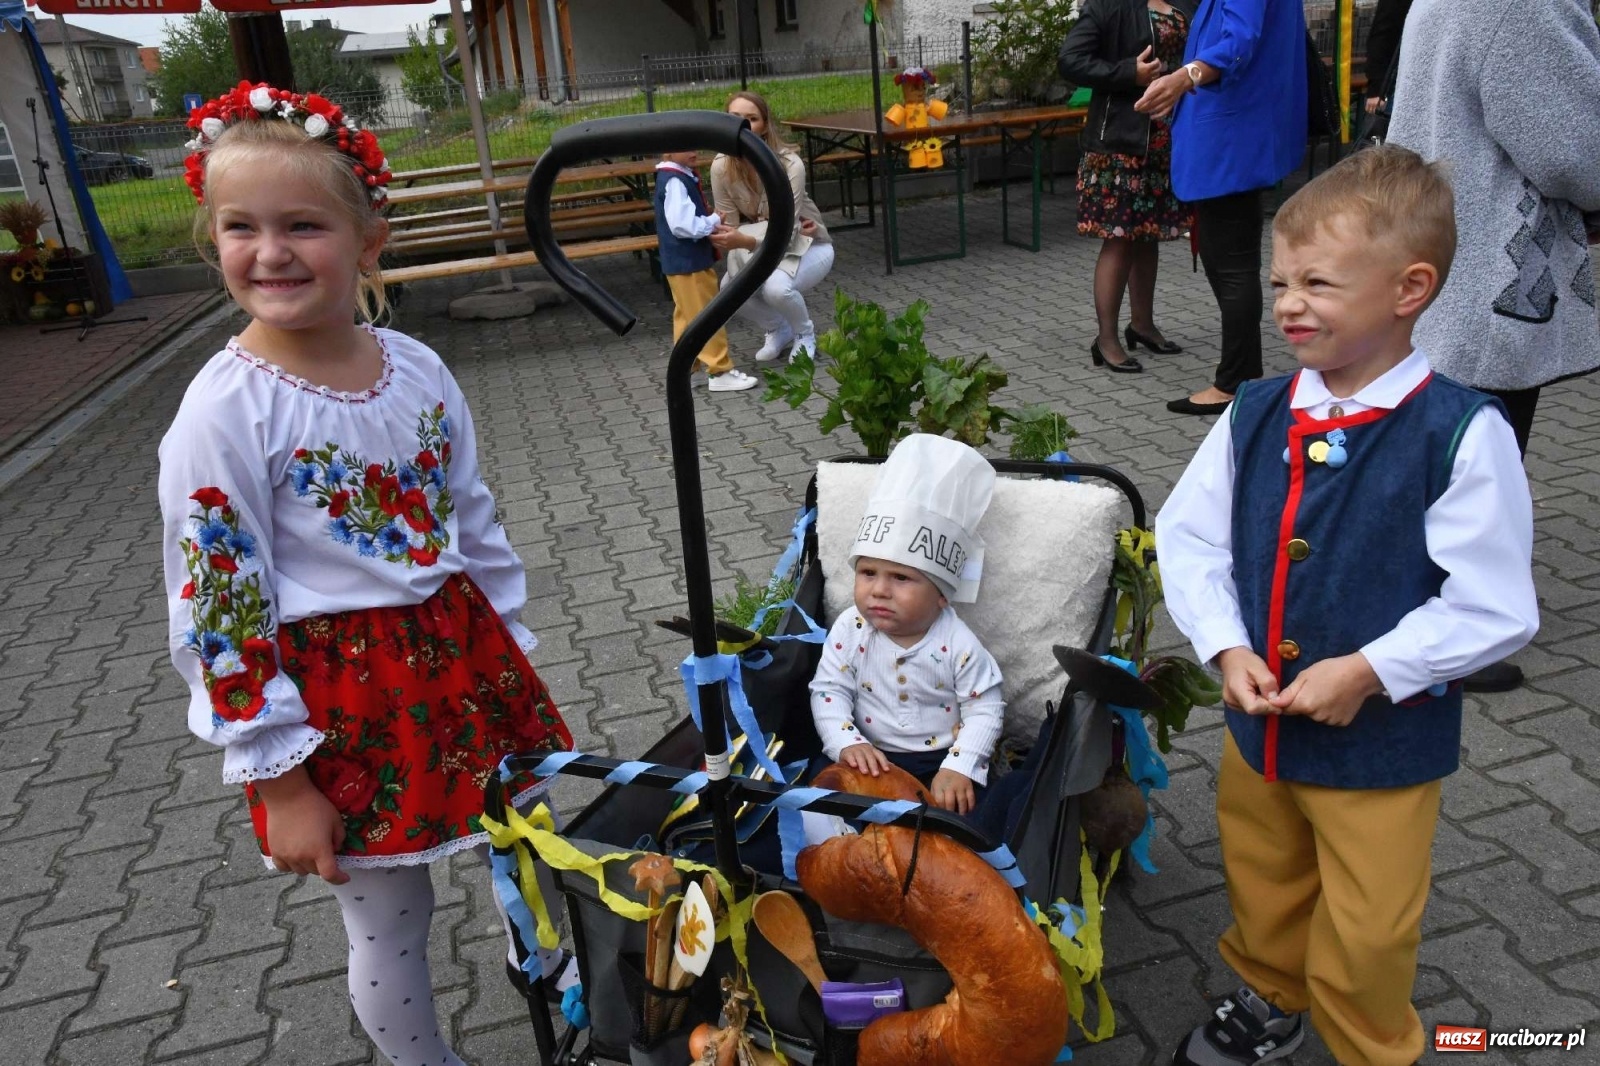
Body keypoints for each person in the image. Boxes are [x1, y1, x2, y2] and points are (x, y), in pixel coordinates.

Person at [158, 84, 575, 1066]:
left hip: (464, 662)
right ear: (212, 238)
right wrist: (283, 775)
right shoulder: (224, 414)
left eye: (302, 224)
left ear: (367, 236)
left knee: (535, 855)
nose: (270, 252)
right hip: (341, 700)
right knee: (390, 916)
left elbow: (469, 516)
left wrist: (508, 645)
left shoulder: (417, 367)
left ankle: (579, 1010)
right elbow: (217, 610)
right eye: (239, 227)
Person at [1156, 146, 1538, 1066]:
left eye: (1318, 282)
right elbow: (1189, 535)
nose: (1287, 302)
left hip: (1380, 751)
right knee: (1264, 876)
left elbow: (1495, 606)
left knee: (1369, 922)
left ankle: (1375, 1043)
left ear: (1409, 289)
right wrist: (1221, 645)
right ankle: (1271, 992)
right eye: (1282, 280)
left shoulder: (1461, 432)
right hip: (1262, 732)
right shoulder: (1254, 411)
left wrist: (1373, 670)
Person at [1387, 0, 1600, 689]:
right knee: (1479, 458)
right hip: (1488, 265)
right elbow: (1574, 146)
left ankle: (1422, 615)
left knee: (1447, 449)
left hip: (1445, 243)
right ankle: (1447, 633)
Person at [809, 434, 1004, 816]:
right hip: (866, 752)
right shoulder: (850, 628)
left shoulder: (958, 642)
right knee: (820, 804)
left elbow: (986, 707)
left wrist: (959, 765)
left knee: (971, 818)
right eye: (867, 572)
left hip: (939, 760)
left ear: (941, 595)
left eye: (901, 578)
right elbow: (828, 690)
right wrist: (845, 742)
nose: (879, 590)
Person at [1134, 0, 1307, 415]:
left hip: (1230, 142)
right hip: (1240, 137)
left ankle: (1235, 382)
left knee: (1230, 265)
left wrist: (1183, 78)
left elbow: (1239, 42)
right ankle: (1240, 374)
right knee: (1233, 262)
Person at [1058, 0, 1198, 374]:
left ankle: (1142, 325)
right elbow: (1070, 60)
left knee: (1146, 234)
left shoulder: (1185, 2)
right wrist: (1127, 73)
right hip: (1120, 142)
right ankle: (1106, 340)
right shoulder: (1109, 4)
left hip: (1163, 139)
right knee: (1119, 238)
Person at [710, 91, 835, 363]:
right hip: (759, 247)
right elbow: (730, 225)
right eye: (735, 118)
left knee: (776, 288)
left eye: (752, 119)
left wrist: (742, 239)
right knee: (729, 290)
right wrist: (716, 229)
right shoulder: (720, 166)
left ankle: (804, 334)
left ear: (764, 125)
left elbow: (787, 230)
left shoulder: (790, 164)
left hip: (808, 243)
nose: (743, 125)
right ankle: (778, 328)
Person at [654, 149, 759, 392]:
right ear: (668, 152)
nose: (694, 152)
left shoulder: (674, 176)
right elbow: (683, 226)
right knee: (707, 316)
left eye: (695, 145)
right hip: (689, 263)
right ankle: (719, 370)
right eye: (686, 147)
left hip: (680, 263)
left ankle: (687, 369)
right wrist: (711, 221)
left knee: (687, 316)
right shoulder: (674, 180)